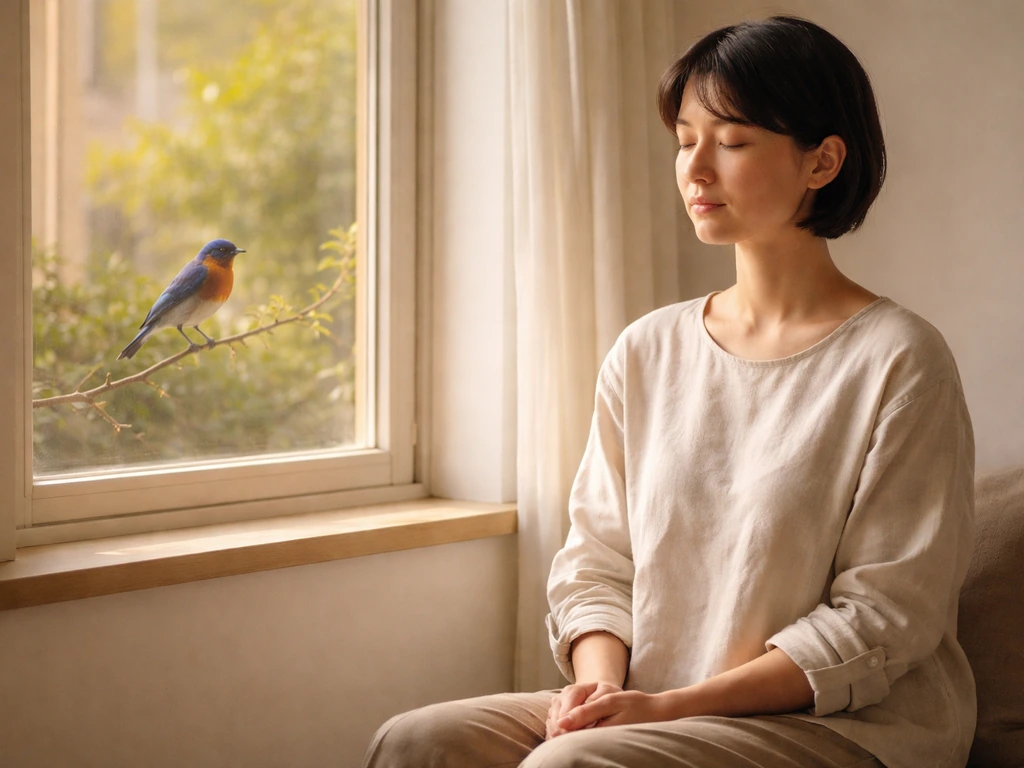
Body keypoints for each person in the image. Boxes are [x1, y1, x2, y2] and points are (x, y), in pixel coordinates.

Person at [363, 15, 975, 768]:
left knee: (568, 766)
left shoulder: (899, 360)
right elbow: (596, 563)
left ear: (822, 162)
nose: (696, 169)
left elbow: (882, 620)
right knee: (419, 740)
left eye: (733, 141)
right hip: (656, 698)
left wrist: (664, 710)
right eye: (686, 139)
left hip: (846, 726)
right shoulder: (648, 349)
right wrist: (597, 692)